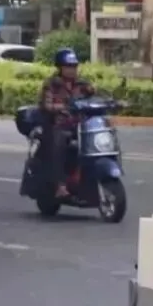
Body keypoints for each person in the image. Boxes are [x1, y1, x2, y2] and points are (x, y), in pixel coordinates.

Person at [38, 48, 95, 198]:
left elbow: (95, 95)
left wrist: (112, 101)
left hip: (80, 124)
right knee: (60, 143)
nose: (72, 70)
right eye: (68, 66)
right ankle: (60, 185)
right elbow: (46, 105)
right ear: (60, 67)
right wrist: (62, 107)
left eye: (74, 66)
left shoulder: (81, 83)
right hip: (59, 124)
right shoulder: (51, 84)